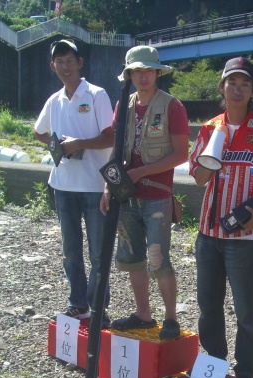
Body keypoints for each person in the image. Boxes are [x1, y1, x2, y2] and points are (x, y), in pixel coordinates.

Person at [188, 57, 253, 378]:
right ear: (222, 87)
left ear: (252, 91)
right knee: (208, 307)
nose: (237, 89)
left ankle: (246, 373)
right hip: (208, 234)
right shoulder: (208, 129)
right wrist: (213, 151)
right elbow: (199, 179)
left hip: (245, 238)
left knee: (246, 309)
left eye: (245, 84)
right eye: (232, 82)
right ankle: (214, 365)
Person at [102, 46, 190, 340]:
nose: (143, 76)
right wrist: (108, 186)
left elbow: (180, 154)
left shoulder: (172, 106)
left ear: (157, 73)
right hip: (126, 196)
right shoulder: (123, 106)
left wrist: (140, 173)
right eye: (137, 71)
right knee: (131, 257)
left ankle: (171, 319)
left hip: (156, 197)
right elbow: (116, 151)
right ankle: (143, 314)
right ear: (129, 74)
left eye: (149, 70)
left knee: (158, 258)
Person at [34, 39, 115, 325]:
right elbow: (38, 131)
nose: (65, 66)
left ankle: (98, 308)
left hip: (94, 185)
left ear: (80, 63)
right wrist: (57, 145)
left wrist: (78, 143)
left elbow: (111, 136)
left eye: (70, 60)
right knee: (71, 251)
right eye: (59, 62)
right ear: (52, 66)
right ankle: (78, 304)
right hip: (63, 185)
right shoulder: (54, 100)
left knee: (97, 252)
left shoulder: (96, 95)